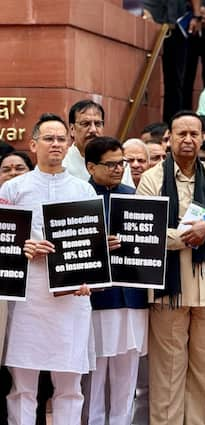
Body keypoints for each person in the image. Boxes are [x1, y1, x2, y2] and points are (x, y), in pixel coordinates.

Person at [136, 111, 205, 425]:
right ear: (169, 138)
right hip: (169, 287)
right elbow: (145, 230)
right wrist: (187, 236)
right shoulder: (153, 177)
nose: (188, 140)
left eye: (194, 134)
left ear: (201, 137)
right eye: (181, 134)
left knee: (201, 368)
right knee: (168, 369)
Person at [0, 113, 97, 424]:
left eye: (60, 139)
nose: (55, 144)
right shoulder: (13, 190)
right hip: (27, 296)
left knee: (70, 385)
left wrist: (90, 277)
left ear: (68, 143)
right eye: (48, 138)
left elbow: (90, 248)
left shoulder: (84, 190)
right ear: (33, 144)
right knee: (22, 385)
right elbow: (2, 239)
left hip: (71, 297)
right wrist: (21, 245)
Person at [83, 136, 149, 425]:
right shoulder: (80, 195)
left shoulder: (136, 196)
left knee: (127, 370)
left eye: (120, 163)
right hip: (97, 297)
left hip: (133, 296)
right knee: (95, 372)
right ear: (90, 166)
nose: (118, 169)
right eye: (110, 164)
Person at [63, 100, 134, 186]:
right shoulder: (63, 164)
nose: (93, 130)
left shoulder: (119, 163)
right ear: (72, 129)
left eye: (97, 124)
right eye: (86, 124)